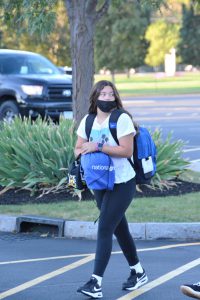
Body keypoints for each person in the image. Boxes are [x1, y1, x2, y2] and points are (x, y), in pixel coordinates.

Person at [75, 80, 148, 299]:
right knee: (119, 228)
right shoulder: (87, 121)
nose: (107, 98)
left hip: (122, 182)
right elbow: (77, 148)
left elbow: (126, 151)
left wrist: (97, 146)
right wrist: (83, 151)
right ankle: (138, 272)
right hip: (99, 182)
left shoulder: (121, 119)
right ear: (95, 97)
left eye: (110, 94)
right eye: (103, 94)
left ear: (115, 97)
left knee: (105, 227)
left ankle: (95, 282)